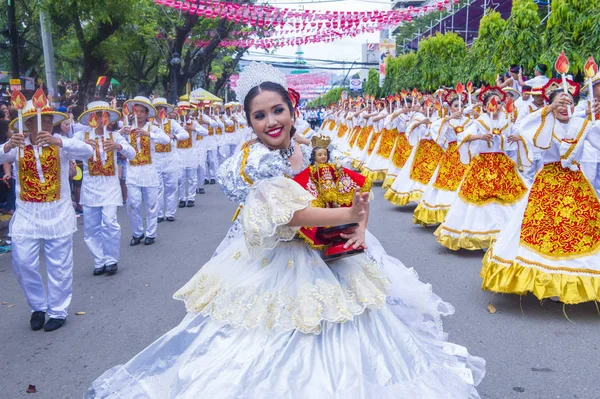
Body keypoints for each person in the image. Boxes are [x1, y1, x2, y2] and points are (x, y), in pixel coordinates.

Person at [85, 61, 484, 398]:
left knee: (354, 340)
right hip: (275, 260)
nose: (271, 121)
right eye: (259, 115)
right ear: (249, 123)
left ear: (292, 109)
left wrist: (360, 225)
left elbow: (356, 189)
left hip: (333, 257)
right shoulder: (255, 161)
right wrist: (347, 214)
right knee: (263, 346)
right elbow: (291, 216)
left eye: (277, 110)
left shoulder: (319, 148)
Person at [481, 78, 600, 304]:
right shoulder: (543, 123)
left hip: (576, 185)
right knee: (545, 232)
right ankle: (547, 282)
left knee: (579, 231)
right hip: (548, 184)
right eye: (559, 104)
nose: (565, 108)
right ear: (551, 106)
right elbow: (538, 140)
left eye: (569, 103)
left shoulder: (583, 125)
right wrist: (548, 112)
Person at [3, 99, 93, 331]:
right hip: (27, 213)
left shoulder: (61, 145)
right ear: (29, 123)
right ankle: (38, 306)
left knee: (59, 265)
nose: (46, 125)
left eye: (49, 121)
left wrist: (59, 141)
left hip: (58, 212)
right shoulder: (17, 146)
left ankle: (57, 311)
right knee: (22, 261)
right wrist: (6, 147)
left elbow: (88, 151)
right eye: (40, 121)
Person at [434, 87, 529, 251]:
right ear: (485, 107)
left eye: (499, 103)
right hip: (483, 164)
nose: (496, 106)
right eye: (493, 103)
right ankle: (484, 234)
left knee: (506, 198)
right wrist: (480, 136)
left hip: (502, 164)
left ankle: (505, 234)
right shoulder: (478, 122)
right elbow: (462, 137)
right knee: (482, 200)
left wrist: (517, 138)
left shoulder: (506, 121)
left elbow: (519, 134)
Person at [75, 101, 135, 276]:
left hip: (110, 185)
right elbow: (68, 150)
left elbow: (132, 153)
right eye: (97, 115)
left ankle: (111, 259)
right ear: (90, 118)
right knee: (91, 227)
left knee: (109, 222)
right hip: (90, 186)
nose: (100, 119)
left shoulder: (114, 136)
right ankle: (99, 260)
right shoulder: (81, 136)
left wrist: (119, 147)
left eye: (103, 115)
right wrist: (83, 146)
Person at [121, 96, 170, 246]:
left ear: (147, 113)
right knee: (133, 203)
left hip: (150, 171)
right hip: (133, 171)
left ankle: (151, 233)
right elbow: (115, 141)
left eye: (142, 111)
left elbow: (166, 140)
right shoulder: (127, 128)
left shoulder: (152, 128)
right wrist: (121, 132)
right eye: (137, 111)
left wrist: (148, 134)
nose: (140, 114)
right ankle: (137, 232)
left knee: (151, 204)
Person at [151, 98, 188, 221]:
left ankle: (170, 213)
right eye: (157, 108)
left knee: (171, 186)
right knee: (158, 188)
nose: (160, 110)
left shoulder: (172, 123)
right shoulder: (150, 125)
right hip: (155, 159)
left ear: (166, 110)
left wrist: (174, 136)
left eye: (162, 108)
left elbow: (185, 134)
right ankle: (159, 213)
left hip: (170, 158)